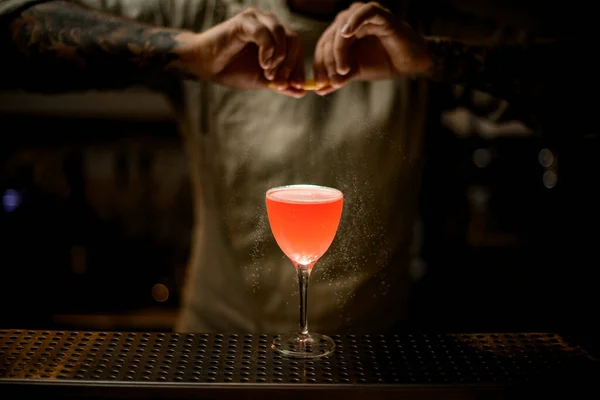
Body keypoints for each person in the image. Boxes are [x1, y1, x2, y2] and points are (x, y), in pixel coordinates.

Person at [0, 0, 589, 333]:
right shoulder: (204, 10)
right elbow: (14, 36)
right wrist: (185, 52)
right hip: (219, 353)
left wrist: (434, 58)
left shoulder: (415, 15)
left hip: (372, 363)